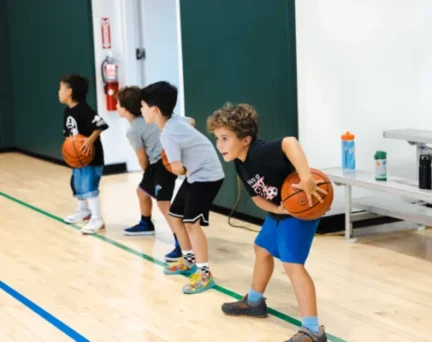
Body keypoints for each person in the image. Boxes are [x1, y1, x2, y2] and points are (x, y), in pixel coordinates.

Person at [207, 103, 328, 342]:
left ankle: (313, 330)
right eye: (217, 138)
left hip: (301, 211)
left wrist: (306, 179)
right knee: (261, 248)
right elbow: (257, 198)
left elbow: (290, 142)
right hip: (283, 210)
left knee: (293, 265)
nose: (219, 144)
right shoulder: (240, 162)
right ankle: (254, 302)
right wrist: (276, 208)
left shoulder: (261, 152)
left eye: (224, 138)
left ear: (245, 139)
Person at [140, 81, 225, 294]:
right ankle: (188, 261)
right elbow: (192, 121)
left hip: (207, 177)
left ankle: (204, 274)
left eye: (142, 106)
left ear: (155, 110)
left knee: (191, 223)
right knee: (176, 215)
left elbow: (177, 170)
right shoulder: (175, 120)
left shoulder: (168, 134)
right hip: (197, 174)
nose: (141, 111)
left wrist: (173, 161)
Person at [116, 86, 181, 262]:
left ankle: (181, 243)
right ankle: (146, 223)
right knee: (142, 190)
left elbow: (142, 159)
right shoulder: (151, 118)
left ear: (125, 108)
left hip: (161, 163)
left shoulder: (132, 130)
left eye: (117, 103)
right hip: (161, 160)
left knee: (163, 204)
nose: (115, 106)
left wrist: (147, 172)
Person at [59, 74, 109, 234]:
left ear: (69, 92)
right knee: (77, 184)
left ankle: (97, 218)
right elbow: (69, 137)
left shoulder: (84, 110)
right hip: (78, 158)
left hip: (91, 158)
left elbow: (100, 125)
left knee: (89, 186)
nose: (58, 92)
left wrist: (89, 141)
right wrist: (68, 150)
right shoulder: (68, 111)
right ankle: (83, 211)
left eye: (61, 88)